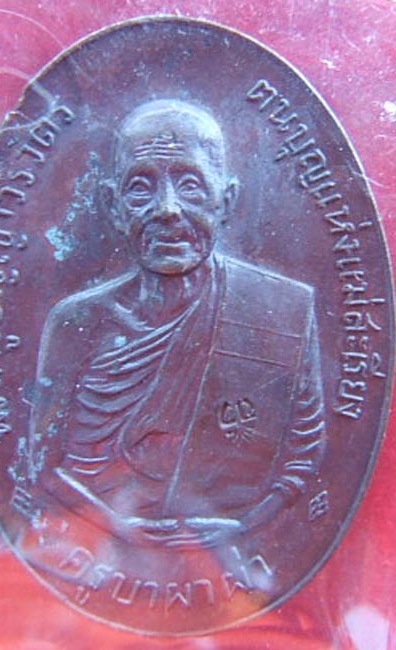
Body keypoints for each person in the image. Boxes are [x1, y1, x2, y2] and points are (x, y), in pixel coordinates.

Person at [27, 99, 326, 549]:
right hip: (93, 545)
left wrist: (242, 528)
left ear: (227, 201)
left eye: (190, 186)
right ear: (112, 205)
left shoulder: (281, 311)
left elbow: (303, 455)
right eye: (140, 188)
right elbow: (44, 466)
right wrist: (122, 529)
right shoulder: (75, 322)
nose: (167, 209)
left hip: (227, 552)